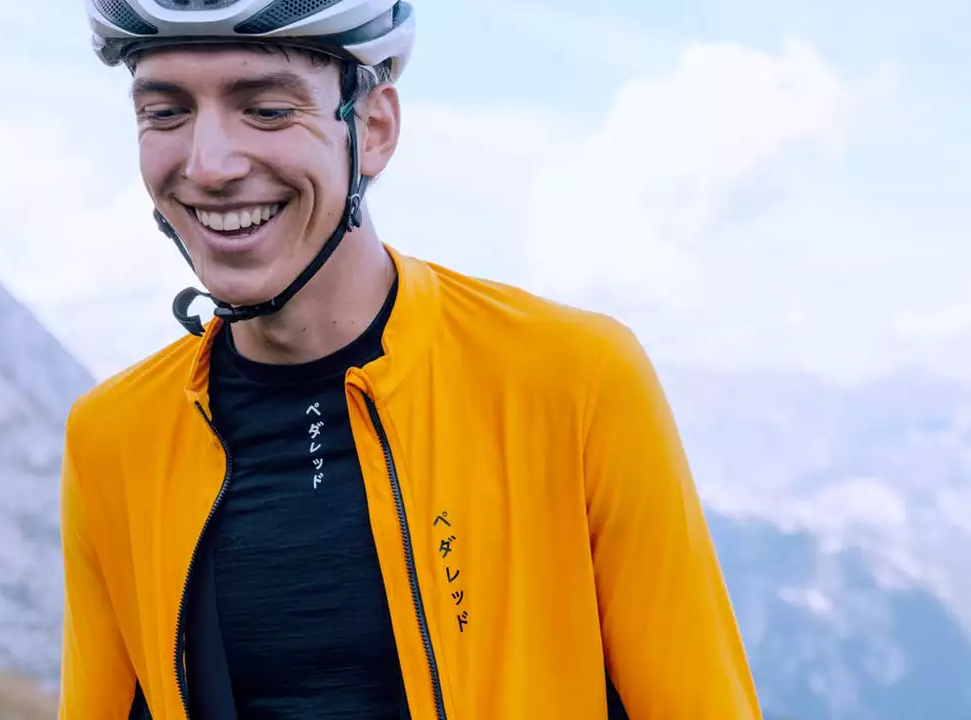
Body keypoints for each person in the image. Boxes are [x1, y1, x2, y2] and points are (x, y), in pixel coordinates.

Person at [59, 1, 763, 718]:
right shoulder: (113, 437)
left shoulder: (573, 379)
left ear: (373, 127)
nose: (208, 166)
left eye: (267, 110)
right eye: (165, 113)